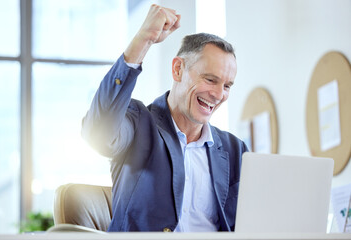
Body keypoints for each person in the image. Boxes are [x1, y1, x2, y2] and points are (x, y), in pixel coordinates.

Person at [82, 4, 248, 232]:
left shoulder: (235, 150)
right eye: (210, 80)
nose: (219, 95)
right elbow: (98, 133)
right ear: (178, 69)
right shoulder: (138, 123)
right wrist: (143, 40)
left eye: (227, 86)